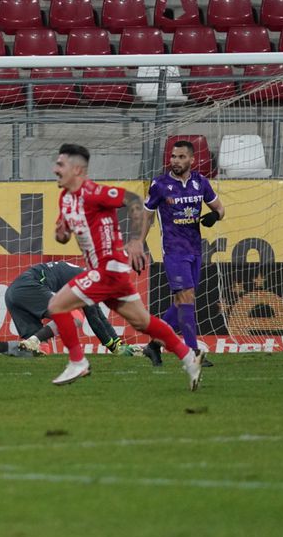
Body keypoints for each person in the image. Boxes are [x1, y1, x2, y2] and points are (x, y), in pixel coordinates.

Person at [45, 143, 201, 390]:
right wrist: (61, 233)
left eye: (60, 164)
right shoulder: (65, 198)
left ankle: (77, 361)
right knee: (142, 322)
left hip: (107, 269)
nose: (55, 169)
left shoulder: (94, 192)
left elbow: (134, 200)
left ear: (77, 169)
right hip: (111, 273)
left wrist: (137, 241)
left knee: (56, 305)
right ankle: (189, 357)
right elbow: (63, 235)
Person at [139, 140, 225, 368]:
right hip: (174, 251)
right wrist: (139, 242)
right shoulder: (160, 184)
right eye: (173, 157)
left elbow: (220, 208)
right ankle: (192, 352)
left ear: (191, 159)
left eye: (180, 157)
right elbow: (147, 215)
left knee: (181, 302)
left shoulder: (200, 182)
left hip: (195, 250)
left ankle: (155, 344)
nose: (175, 161)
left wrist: (214, 216)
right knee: (187, 299)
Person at [0, 260, 139, 357]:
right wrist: (116, 347)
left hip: (13, 293)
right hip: (28, 286)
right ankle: (34, 340)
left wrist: (116, 344)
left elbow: (97, 313)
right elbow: (94, 319)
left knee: (34, 352)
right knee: (73, 318)